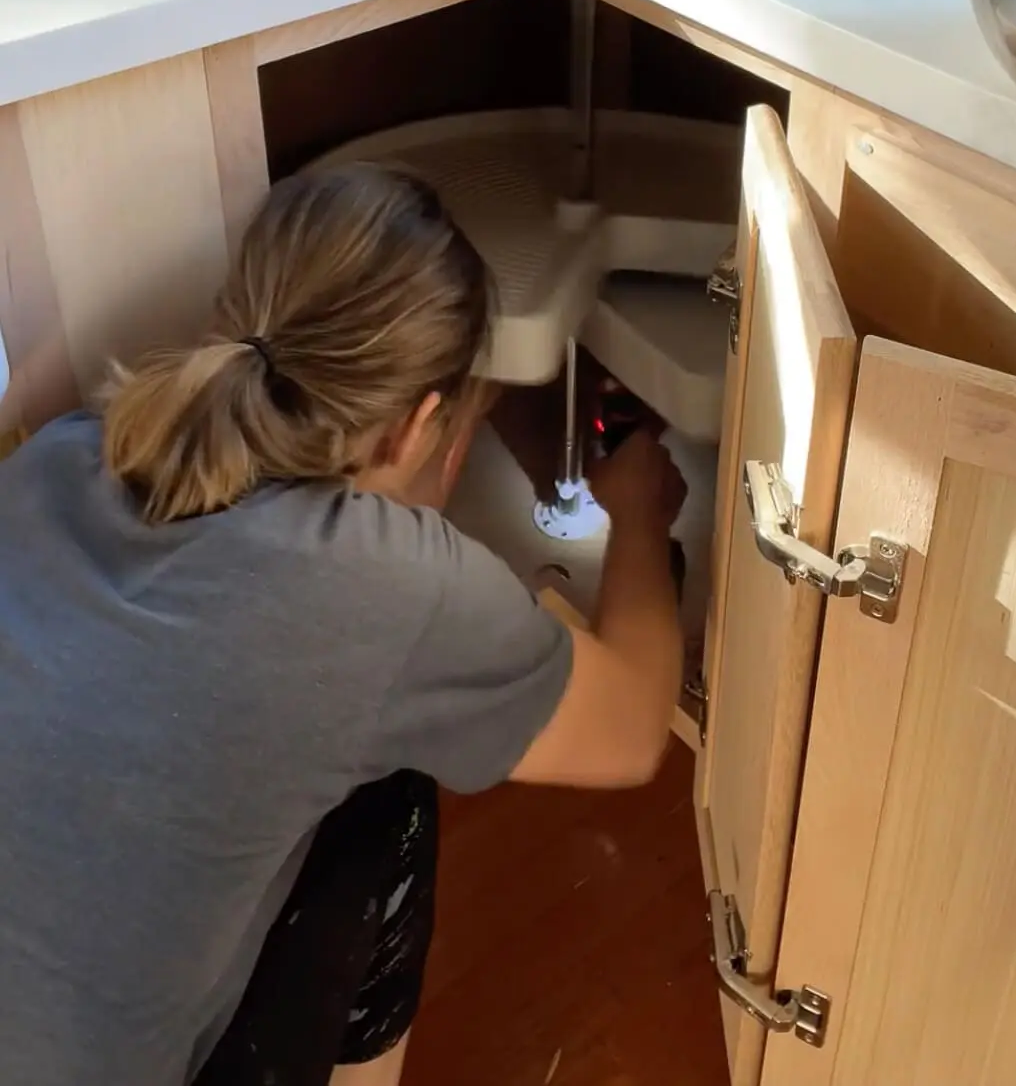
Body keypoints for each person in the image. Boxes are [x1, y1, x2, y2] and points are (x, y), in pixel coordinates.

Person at [0, 163, 687, 1086]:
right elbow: (633, 729)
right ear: (418, 426)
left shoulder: (65, 453)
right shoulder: (385, 588)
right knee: (387, 796)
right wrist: (638, 511)